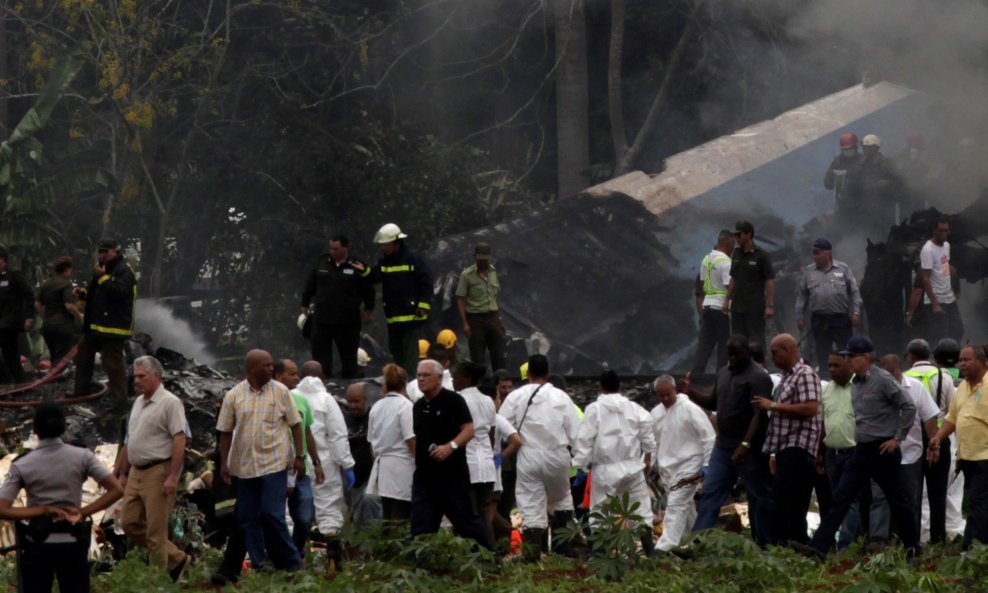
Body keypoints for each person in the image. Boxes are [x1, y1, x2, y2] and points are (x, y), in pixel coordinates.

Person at [797, 336, 919, 559]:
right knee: (841, 498)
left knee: (898, 501)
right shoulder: (856, 382)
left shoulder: (883, 380)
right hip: (861, 450)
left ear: (865, 357)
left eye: (851, 356)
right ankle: (818, 549)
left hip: (883, 450)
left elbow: (908, 406)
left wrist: (898, 438)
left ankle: (913, 549)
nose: (848, 360)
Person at [0, 403, 123, 593]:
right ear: (64, 427)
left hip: (38, 545)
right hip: (73, 543)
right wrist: (83, 512)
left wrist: (41, 510)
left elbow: (2, 508)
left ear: (35, 430)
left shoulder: (22, 464)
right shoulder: (82, 456)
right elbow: (116, 489)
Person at [217, 349, 304, 572]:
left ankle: (292, 563)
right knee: (247, 518)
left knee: (272, 514)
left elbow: (296, 424)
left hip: (274, 464)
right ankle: (260, 563)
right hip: (245, 467)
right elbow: (225, 431)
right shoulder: (234, 396)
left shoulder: (281, 391)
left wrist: (299, 456)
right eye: (266, 365)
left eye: (271, 365)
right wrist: (224, 463)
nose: (271, 368)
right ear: (252, 369)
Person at [682, 335, 774, 546]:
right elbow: (713, 402)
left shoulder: (759, 377)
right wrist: (690, 392)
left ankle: (767, 545)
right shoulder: (723, 373)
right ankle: (696, 544)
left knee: (759, 496)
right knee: (710, 494)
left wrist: (745, 444)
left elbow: (758, 416)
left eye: (736, 354)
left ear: (747, 353)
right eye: (729, 354)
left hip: (748, 450)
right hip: (722, 447)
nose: (732, 358)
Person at [114, 356, 191, 580]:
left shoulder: (170, 402)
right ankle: (177, 558)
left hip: (159, 471)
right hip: (136, 472)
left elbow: (180, 439)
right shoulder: (138, 402)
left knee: (156, 532)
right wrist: (122, 472)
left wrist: (173, 477)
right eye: (135, 376)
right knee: (129, 523)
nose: (136, 381)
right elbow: (131, 440)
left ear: (156, 376)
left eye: (141, 376)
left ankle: (156, 580)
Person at [498, 354, 579, 560]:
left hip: (529, 455)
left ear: (528, 374)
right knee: (562, 498)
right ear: (548, 374)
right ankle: (563, 551)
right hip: (558, 456)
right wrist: (581, 458)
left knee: (531, 502)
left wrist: (501, 451)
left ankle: (533, 555)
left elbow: (501, 425)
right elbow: (575, 432)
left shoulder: (516, 396)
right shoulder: (561, 397)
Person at [411, 358, 493, 550]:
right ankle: (420, 567)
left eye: (426, 375)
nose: (421, 379)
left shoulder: (454, 400)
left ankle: (488, 558)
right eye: (419, 375)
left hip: (452, 477)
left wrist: (451, 447)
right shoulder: (418, 406)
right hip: (424, 479)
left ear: (439, 378)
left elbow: (469, 429)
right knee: (421, 525)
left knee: (466, 522)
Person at [572, 371, 655, 554]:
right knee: (640, 508)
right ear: (620, 388)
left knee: (600, 511)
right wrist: (648, 456)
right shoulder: (633, 407)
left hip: (605, 469)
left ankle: (598, 555)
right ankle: (650, 552)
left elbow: (585, 439)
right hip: (632, 467)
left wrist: (581, 464)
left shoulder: (594, 409)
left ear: (600, 387)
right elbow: (647, 427)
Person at [752, 334, 821, 545]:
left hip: (798, 444)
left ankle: (781, 542)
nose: (771, 357)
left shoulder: (805, 374)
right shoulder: (786, 377)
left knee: (784, 495)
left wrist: (773, 405)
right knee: (792, 498)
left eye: (775, 352)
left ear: (788, 350)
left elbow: (811, 407)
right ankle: (796, 542)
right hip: (784, 445)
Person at [868, 354, 938, 544]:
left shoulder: (916, 388)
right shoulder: (874, 389)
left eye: (892, 374)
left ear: (899, 370)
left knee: (908, 500)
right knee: (881, 499)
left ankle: (909, 542)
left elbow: (930, 417)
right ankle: (878, 542)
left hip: (910, 456)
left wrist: (934, 443)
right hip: (882, 455)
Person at [292, 361, 355, 571]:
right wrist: (346, 464)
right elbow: (338, 435)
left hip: (296, 461)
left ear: (300, 376)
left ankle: (295, 561)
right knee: (329, 509)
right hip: (323, 463)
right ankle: (331, 560)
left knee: (294, 513)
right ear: (323, 376)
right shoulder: (327, 400)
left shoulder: (290, 397)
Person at [927, 345, 988, 549]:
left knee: (978, 504)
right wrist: (937, 437)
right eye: (961, 360)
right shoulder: (961, 388)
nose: (962, 364)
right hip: (967, 457)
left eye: (967, 360)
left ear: (983, 362)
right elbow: (951, 418)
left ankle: (971, 550)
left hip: (985, 458)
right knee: (975, 504)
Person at [650, 375, 714, 552]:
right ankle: (694, 541)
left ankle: (665, 546)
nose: (664, 399)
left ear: (675, 390)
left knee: (676, 504)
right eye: (660, 396)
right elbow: (653, 442)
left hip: (690, 464)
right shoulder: (656, 414)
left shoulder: (690, 409)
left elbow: (708, 438)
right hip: (667, 467)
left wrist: (707, 464)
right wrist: (649, 463)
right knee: (684, 505)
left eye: (668, 395)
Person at [300, 235, 375, 379]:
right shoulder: (322, 262)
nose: (332, 251)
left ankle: (349, 388)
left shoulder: (357, 265)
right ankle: (324, 386)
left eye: (336, 248)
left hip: (347, 321)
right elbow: (310, 283)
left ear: (346, 248)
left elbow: (368, 289)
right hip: (322, 319)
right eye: (331, 248)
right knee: (321, 360)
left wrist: (368, 309)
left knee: (349, 360)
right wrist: (304, 302)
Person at [904, 339, 956, 544]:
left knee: (912, 493)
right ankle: (938, 538)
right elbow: (954, 408)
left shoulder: (904, 378)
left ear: (910, 357)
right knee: (938, 492)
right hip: (939, 437)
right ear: (930, 356)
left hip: (911, 440)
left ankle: (911, 539)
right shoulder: (944, 376)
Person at [272, 359, 325, 562]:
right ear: (278, 377)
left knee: (304, 518)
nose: (297, 378)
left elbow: (307, 432)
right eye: (292, 374)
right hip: (278, 469)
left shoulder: (301, 400)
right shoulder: (270, 401)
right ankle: (285, 559)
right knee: (276, 517)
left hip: (302, 470)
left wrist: (316, 462)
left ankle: (295, 552)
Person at [364, 223, 433, 376]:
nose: (383, 248)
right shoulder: (385, 261)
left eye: (386, 245)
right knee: (397, 355)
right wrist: (363, 270)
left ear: (396, 243)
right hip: (393, 319)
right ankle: (401, 382)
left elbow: (427, 282)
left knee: (410, 357)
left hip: (411, 317)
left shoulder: (414, 259)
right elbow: (374, 276)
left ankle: (410, 386)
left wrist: (423, 305)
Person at [73, 239, 137, 401]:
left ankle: (119, 399)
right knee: (83, 355)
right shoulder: (102, 269)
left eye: (105, 252)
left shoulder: (124, 271)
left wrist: (102, 277)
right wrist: (83, 293)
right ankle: (81, 390)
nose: (101, 255)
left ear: (115, 251)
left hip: (113, 327)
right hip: (96, 326)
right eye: (100, 251)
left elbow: (119, 292)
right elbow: (95, 290)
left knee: (112, 364)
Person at [795, 238, 861, 377]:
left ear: (828, 254)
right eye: (813, 253)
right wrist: (800, 316)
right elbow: (802, 296)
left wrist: (855, 312)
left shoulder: (843, 269)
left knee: (846, 350)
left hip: (840, 318)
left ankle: (849, 376)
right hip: (819, 319)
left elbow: (854, 293)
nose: (814, 256)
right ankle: (825, 377)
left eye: (818, 253)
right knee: (822, 351)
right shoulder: (809, 272)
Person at [819, 352, 865, 547]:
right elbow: (823, 422)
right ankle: (851, 541)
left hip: (853, 453)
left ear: (849, 367)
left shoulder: (860, 389)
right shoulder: (826, 390)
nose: (831, 370)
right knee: (837, 500)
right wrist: (820, 453)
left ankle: (845, 545)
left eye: (836, 366)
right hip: (832, 453)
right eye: (829, 366)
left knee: (851, 500)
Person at [452, 361, 499, 544]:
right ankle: (490, 552)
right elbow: (491, 434)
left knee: (466, 513)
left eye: (456, 378)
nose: (454, 381)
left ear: (467, 379)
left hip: (467, 464)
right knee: (484, 514)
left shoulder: (458, 400)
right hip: (486, 465)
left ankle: (471, 552)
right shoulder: (488, 400)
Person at [367, 364, 416, 521]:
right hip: (403, 466)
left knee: (387, 515)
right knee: (400, 516)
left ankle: (385, 546)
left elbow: (372, 444)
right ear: (405, 383)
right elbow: (410, 439)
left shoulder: (376, 406)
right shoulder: (406, 406)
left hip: (383, 466)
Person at [456, 242, 506, 373]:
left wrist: (499, 320)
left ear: (489, 257)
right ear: (475, 257)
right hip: (476, 319)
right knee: (478, 357)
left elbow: (495, 297)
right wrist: (465, 323)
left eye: (485, 258)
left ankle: (499, 384)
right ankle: (480, 386)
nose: (483, 261)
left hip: (493, 317)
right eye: (480, 258)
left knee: (498, 355)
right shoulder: (467, 275)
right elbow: (461, 299)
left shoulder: (493, 272)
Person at [692, 230, 735, 374]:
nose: (733, 248)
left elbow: (703, 283)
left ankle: (697, 375)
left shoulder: (706, 259)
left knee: (705, 344)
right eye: (733, 245)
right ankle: (720, 375)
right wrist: (728, 301)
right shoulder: (726, 262)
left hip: (707, 307)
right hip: (720, 308)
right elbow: (730, 286)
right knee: (724, 344)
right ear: (728, 243)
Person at [727, 221, 775, 347]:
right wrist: (727, 300)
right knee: (737, 343)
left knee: (756, 343)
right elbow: (733, 278)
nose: (736, 238)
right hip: (737, 308)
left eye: (739, 235)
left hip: (754, 308)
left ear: (748, 234)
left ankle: (759, 366)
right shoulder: (736, 253)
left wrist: (770, 305)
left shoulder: (762, 255)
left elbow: (769, 280)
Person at [920, 218, 963, 345]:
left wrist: (955, 289)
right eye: (941, 231)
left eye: (947, 230)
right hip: (937, 299)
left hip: (949, 297)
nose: (945, 233)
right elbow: (925, 278)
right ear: (934, 231)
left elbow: (947, 269)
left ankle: (953, 356)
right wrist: (934, 303)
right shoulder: (928, 250)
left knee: (958, 329)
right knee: (941, 335)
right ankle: (940, 361)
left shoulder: (946, 246)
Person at [343, 382, 381, 527]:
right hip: (350, 477)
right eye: (349, 401)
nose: (352, 406)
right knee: (353, 517)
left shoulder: (374, 416)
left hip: (371, 476)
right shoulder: (343, 419)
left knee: (369, 507)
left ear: (365, 399)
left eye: (356, 401)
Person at [35, 256, 84, 364]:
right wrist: (80, 317)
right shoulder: (66, 283)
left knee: (54, 358)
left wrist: (45, 316)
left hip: (47, 326)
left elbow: (38, 304)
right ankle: (58, 379)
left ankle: (52, 379)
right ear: (67, 269)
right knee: (62, 360)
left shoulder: (46, 284)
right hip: (63, 326)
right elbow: (69, 306)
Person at [0, 245, 34, 384]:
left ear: (3, 260)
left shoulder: (14, 275)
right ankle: (18, 383)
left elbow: (29, 295)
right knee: (11, 356)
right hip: (2, 322)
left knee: (10, 354)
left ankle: (17, 382)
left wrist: (29, 317)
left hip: (10, 323)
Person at [823, 132, 862, 211]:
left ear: (856, 147)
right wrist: (831, 174)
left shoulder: (863, 161)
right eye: (845, 149)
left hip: (861, 207)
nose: (847, 151)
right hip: (842, 208)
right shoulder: (837, 162)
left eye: (850, 149)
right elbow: (828, 185)